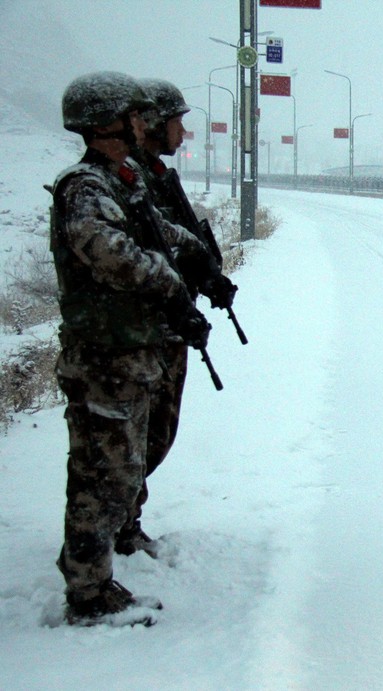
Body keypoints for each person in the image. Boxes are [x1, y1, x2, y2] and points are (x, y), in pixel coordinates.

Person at [50, 71, 217, 626]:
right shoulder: (85, 188)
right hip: (104, 356)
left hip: (128, 352)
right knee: (102, 475)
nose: (145, 123)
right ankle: (89, 592)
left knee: (121, 471)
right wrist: (171, 284)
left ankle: (96, 577)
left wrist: (195, 258)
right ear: (106, 123)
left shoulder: (121, 182)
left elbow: (157, 232)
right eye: (135, 115)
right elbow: (112, 252)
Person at [115, 78, 236, 560]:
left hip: (167, 321)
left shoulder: (155, 175)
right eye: (177, 123)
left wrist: (206, 276)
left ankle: (126, 520)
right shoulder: (130, 178)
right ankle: (119, 527)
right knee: (139, 434)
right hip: (147, 325)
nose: (183, 133)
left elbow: (179, 239)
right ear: (147, 124)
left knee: (155, 432)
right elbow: (146, 253)